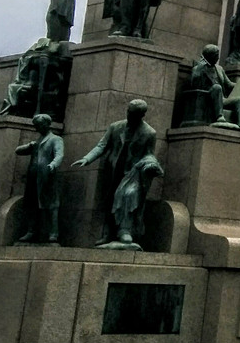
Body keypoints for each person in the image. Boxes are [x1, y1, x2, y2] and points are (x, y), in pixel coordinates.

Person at [73, 99, 157, 245]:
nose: (129, 115)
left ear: (142, 115)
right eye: (129, 112)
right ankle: (108, 233)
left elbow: (149, 153)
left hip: (132, 173)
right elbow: (102, 145)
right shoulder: (116, 126)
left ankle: (125, 230)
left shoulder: (149, 133)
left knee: (128, 196)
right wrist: (87, 158)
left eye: (133, 114)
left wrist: (150, 164)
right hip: (113, 169)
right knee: (110, 200)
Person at [15, 113, 62, 244]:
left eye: (39, 125)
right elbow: (18, 151)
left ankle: (53, 233)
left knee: (51, 205)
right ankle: (31, 231)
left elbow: (59, 154)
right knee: (31, 204)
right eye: (36, 126)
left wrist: (53, 165)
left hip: (47, 176)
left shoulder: (55, 139)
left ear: (47, 124)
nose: (37, 128)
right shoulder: (37, 141)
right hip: (33, 176)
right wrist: (30, 145)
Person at [183, 44, 240, 130]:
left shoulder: (219, 69)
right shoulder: (199, 69)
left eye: (218, 55)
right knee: (217, 87)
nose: (218, 57)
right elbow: (193, 83)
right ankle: (219, 116)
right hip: (208, 99)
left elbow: (229, 84)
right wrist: (199, 68)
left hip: (222, 99)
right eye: (215, 55)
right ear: (209, 56)